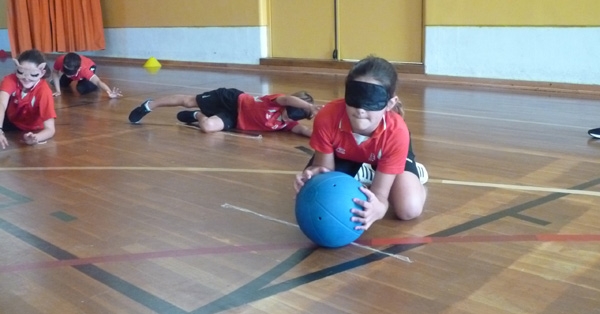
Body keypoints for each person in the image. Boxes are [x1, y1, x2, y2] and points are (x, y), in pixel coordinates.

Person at [293, 56, 428, 230]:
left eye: (371, 100)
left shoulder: (396, 133)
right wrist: (313, 174)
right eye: (355, 98)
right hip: (344, 152)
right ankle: (368, 171)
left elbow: (380, 199)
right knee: (316, 193)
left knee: (409, 209)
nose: (361, 110)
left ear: (389, 103)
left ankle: (411, 174)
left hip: (384, 151)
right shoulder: (327, 118)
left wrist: (378, 209)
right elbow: (324, 170)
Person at [128, 89, 319, 137]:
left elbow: (304, 131)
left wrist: (328, 139)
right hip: (233, 99)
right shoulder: (277, 101)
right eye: (301, 107)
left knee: (209, 127)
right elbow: (287, 100)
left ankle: (196, 115)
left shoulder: (285, 124)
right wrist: (309, 107)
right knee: (188, 101)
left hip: (235, 119)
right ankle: (149, 105)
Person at [0, 49, 57, 148]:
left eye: (33, 75)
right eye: (21, 73)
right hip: (10, 119)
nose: (26, 78)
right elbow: (2, 103)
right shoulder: (10, 79)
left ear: (42, 72)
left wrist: (36, 138)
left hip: (30, 128)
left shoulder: (44, 92)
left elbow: (50, 129)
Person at [51, 52, 122, 98]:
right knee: (62, 84)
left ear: (79, 69)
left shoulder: (84, 70)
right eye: (66, 73)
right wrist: (58, 91)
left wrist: (109, 91)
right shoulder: (60, 61)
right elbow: (55, 72)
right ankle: (67, 79)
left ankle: (91, 84)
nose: (68, 76)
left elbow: (98, 81)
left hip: (90, 66)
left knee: (81, 88)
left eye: (70, 74)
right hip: (76, 72)